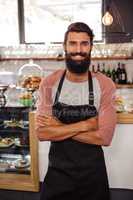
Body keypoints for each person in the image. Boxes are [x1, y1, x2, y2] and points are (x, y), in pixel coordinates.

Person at [35, 22, 116, 200]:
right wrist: (86, 124)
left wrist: (58, 127)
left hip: (93, 176)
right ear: (65, 46)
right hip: (58, 175)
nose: (78, 50)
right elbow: (42, 133)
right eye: (72, 43)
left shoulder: (104, 84)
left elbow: (104, 137)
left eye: (84, 43)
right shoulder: (49, 83)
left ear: (91, 47)